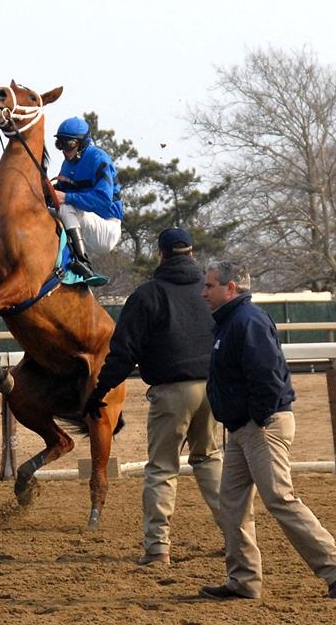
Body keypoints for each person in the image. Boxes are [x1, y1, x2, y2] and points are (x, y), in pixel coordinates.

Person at [199, 259, 336, 600]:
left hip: (260, 427)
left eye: (209, 286)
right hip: (245, 427)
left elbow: (267, 379)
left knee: (280, 498)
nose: (203, 293)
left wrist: (256, 419)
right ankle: (243, 581)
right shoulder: (232, 322)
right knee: (231, 504)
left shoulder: (247, 321)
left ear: (230, 288)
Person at [84, 227, 223, 566]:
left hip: (171, 392)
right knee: (210, 461)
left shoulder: (148, 295)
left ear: (160, 254)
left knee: (162, 468)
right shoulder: (209, 293)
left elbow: (122, 352)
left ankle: (158, 546)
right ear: (191, 253)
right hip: (212, 387)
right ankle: (236, 535)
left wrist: (100, 391)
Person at [49, 116, 123, 283]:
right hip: (85, 225)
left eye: (69, 144)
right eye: (60, 143)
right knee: (44, 212)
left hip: (107, 228)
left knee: (66, 207)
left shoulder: (98, 158)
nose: (63, 150)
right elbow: (57, 197)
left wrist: (66, 197)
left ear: (82, 144)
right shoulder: (67, 164)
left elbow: (104, 201)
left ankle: (84, 263)